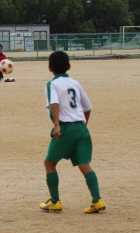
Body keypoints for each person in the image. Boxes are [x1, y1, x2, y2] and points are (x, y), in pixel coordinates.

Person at [40, 51, 105, 214]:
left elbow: (54, 104)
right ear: (69, 66)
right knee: (84, 164)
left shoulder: (52, 84)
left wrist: (57, 125)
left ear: (49, 68)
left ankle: (55, 201)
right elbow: (87, 107)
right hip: (81, 128)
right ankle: (97, 200)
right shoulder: (75, 83)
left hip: (65, 128)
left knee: (49, 163)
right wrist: (83, 124)